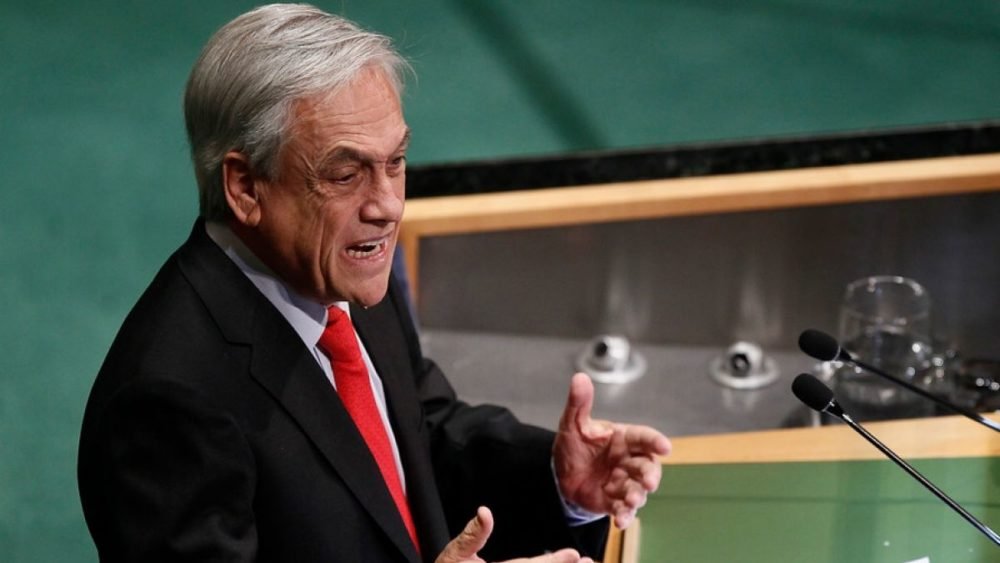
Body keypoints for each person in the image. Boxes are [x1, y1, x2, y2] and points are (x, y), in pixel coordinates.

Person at [77, 4, 671, 562]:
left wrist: (555, 479)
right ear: (246, 187)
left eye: (395, 162)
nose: (386, 206)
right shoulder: (167, 403)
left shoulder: (343, 270)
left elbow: (419, 434)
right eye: (345, 174)